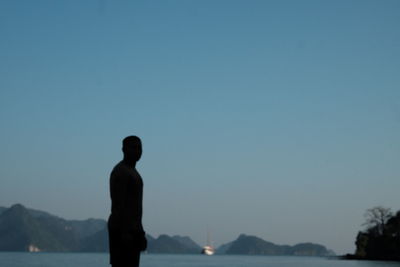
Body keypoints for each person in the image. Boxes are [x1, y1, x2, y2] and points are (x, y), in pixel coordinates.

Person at [108, 136, 147, 267]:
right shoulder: (121, 172)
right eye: (133, 147)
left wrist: (140, 232)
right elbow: (118, 205)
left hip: (133, 231)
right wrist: (124, 233)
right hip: (123, 232)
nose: (137, 151)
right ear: (124, 150)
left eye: (139, 148)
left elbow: (136, 209)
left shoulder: (134, 173)